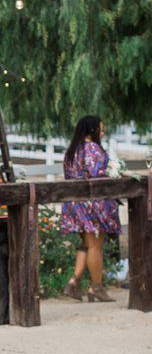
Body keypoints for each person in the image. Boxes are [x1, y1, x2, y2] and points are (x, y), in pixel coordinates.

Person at [61, 115, 121, 302]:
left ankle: (73, 283)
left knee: (86, 245)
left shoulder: (73, 150)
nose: (102, 133)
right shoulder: (92, 149)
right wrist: (114, 173)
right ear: (92, 130)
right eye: (100, 129)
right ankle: (96, 288)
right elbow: (97, 175)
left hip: (74, 203)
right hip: (92, 205)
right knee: (96, 245)